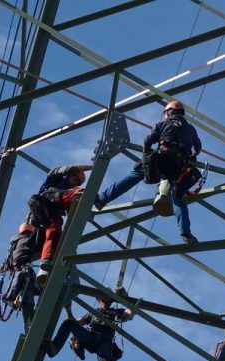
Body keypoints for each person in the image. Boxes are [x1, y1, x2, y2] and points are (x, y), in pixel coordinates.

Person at [95, 99, 202, 244]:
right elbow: (198, 148)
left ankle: (102, 198)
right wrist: (190, 156)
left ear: (168, 112)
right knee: (177, 196)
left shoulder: (163, 124)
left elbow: (147, 141)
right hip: (178, 166)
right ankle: (186, 235)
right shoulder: (191, 129)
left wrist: (146, 157)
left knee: (135, 175)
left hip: (161, 160)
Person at [44, 294, 132, 361]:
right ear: (99, 299)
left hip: (105, 342)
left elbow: (129, 313)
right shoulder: (92, 313)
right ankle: (54, 347)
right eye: (105, 298)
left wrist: (125, 297)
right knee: (68, 324)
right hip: (91, 338)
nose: (107, 301)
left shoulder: (117, 312)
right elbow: (76, 323)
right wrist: (68, 310)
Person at [31, 165, 91, 285]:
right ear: (68, 175)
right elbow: (55, 171)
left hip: (52, 213)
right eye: (74, 179)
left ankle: (46, 261)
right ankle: (83, 199)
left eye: (76, 183)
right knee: (80, 194)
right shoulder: (55, 180)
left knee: (53, 234)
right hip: (47, 202)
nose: (73, 183)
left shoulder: (66, 189)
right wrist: (85, 167)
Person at [0, 221, 43, 333]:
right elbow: (39, 242)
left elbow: (7, 265)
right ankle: (31, 332)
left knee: (27, 307)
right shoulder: (27, 240)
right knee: (31, 301)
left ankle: (30, 332)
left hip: (19, 278)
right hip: (24, 277)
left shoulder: (13, 246)